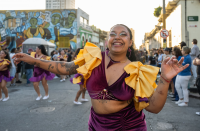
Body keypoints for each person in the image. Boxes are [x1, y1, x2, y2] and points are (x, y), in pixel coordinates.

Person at [13, 24, 189, 130]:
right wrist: (33, 60)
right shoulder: (93, 59)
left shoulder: (138, 71)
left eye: (123, 34)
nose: (117, 37)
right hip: (97, 126)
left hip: (129, 128)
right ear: (107, 40)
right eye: (112, 34)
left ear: (130, 42)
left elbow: (153, 107)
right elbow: (65, 67)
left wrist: (165, 79)